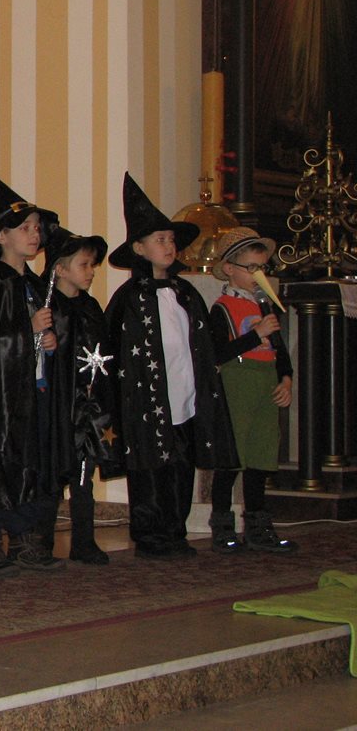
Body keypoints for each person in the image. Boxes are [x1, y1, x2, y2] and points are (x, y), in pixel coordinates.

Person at [104, 173, 238, 560]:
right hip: (145, 402)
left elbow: (202, 344)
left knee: (181, 464)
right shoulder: (129, 298)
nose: (168, 246)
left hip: (186, 397)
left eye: (170, 239)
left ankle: (175, 530)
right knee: (149, 467)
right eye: (160, 239)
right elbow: (113, 351)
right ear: (139, 248)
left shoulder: (186, 293)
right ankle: (150, 535)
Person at [0, 162, 63, 577]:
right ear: (1, 236)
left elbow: (38, 333)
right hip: (3, 396)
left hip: (33, 387)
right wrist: (28, 329)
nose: (34, 234)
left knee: (31, 460)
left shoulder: (34, 284)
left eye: (37, 228)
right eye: (25, 228)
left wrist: (49, 342)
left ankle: (26, 537)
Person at [207, 227, 297, 554]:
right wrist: (255, 335)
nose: (259, 275)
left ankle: (258, 526)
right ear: (230, 268)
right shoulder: (221, 308)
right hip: (237, 384)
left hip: (265, 383)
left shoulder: (264, 305)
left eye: (263, 268)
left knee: (261, 455)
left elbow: (280, 351)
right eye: (252, 268)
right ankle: (222, 527)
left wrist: (286, 379)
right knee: (232, 459)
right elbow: (216, 353)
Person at [41, 226, 122, 565]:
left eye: (92, 265)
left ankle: (84, 541)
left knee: (83, 474)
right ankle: (42, 542)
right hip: (58, 405)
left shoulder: (90, 307)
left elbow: (102, 353)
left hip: (88, 408)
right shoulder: (49, 307)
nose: (91, 272)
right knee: (52, 474)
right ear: (60, 269)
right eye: (84, 265)